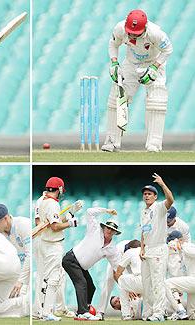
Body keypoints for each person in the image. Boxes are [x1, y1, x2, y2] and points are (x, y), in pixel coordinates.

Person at [103, 9, 172, 152]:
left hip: (154, 63)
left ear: (145, 28)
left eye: (136, 33)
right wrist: (114, 63)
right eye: (130, 32)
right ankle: (111, 141)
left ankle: (154, 143)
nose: (133, 35)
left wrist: (154, 67)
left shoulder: (155, 33)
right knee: (118, 95)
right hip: (131, 63)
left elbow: (168, 49)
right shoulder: (120, 28)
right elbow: (113, 44)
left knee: (157, 99)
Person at [36, 177, 83, 321]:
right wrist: (70, 223)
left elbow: (54, 221)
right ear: (60, 189)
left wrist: (70, 214)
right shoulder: (52, 204)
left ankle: (45, 311)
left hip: (47, 243)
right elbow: (55, 227)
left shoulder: (44, 201)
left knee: (51, 278)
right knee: (53, 279)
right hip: (52, 245)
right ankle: (47, 312)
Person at [61, 207, 121, 320]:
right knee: (82, 283)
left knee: (91, 287)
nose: (109, 230)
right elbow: (89, 212)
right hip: (71, 259)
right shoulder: (94, 230)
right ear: (104, 227)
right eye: (108, 227)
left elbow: (116, 268)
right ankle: (82, 312)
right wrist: (107, 211)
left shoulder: (112, 249)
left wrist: (123, 284)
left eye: (112, 229)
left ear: (115, 233)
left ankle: (85, 309)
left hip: (81, 266)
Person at [139, 173, 174, 321]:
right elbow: (143, 231)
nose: (146, 196)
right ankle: (148, 312)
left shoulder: (159, 207)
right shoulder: (144, 211)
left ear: (155, 196)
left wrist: (162, 183)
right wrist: (141, 248)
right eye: (145, 194)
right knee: (146, 284)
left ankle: (159, 313)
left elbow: (171, 200)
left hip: (159, 248)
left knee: (158, 282)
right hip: (147, 250)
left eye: (149, 194)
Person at [164, 231, 194, 320]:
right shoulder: (181, 254)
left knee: (167, 283)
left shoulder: (187, 246)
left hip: (193, 280)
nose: (171, 245)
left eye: (172, 242)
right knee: (191, 314)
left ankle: (180, 311)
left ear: (179, 240)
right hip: (192, 284)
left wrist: (182, 246)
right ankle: (184, 312)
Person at [113, 239, 144, 320]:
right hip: (152, 282)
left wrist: (129, 289)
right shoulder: (147, 250)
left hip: (140, 280)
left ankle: (126, 314)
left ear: (130, 248)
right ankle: (160, 312)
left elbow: (117, 272)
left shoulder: (130, 251)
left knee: (121, 280)